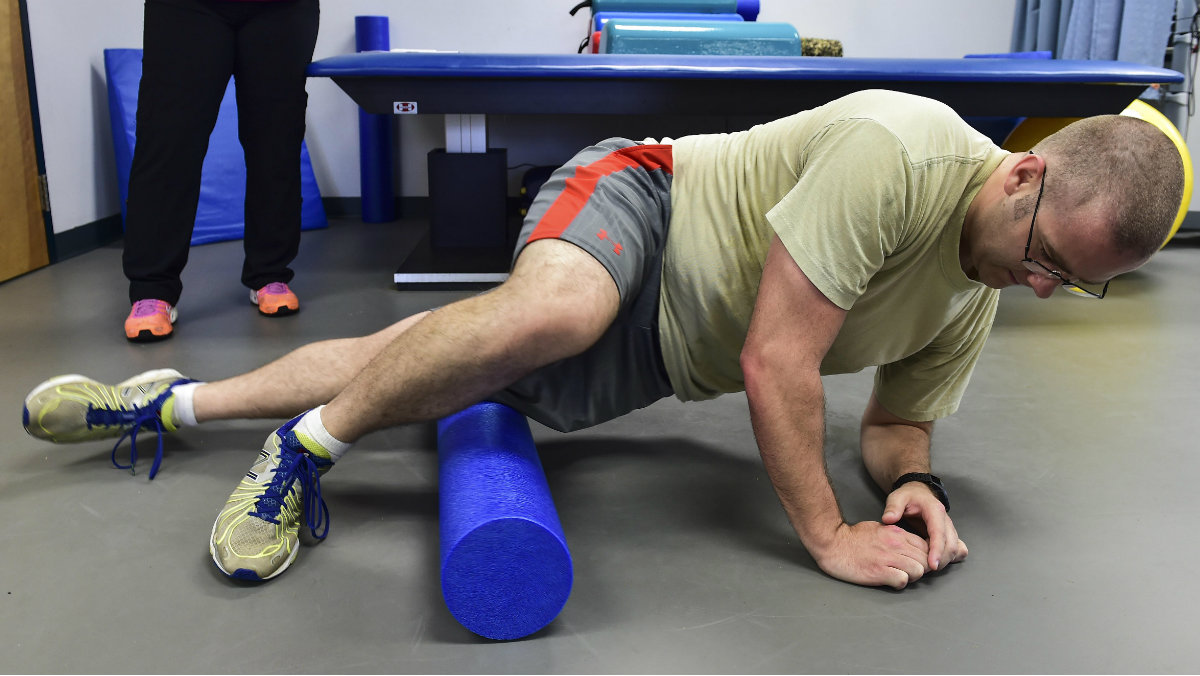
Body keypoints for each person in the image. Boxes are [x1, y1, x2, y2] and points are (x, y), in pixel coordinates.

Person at [24, 90, 1182, 588]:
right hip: (646, 203)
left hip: (659, 358)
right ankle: (299, 454)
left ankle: (173, 403)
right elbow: (776, 360)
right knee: (550, 310)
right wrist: (828, 532)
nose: (1038, 287)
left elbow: (893, 423)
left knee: (436, 360)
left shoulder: (977, 288)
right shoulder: (907, 152)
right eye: (1047, 255)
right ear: (1025, 170)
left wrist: (915, 483)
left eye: (1067, 287)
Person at [121, 0, 320, 342]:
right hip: (186, 8)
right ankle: (151, 290)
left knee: (276, 141)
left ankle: (270, 273)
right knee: (168, 140)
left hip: (282, 9)